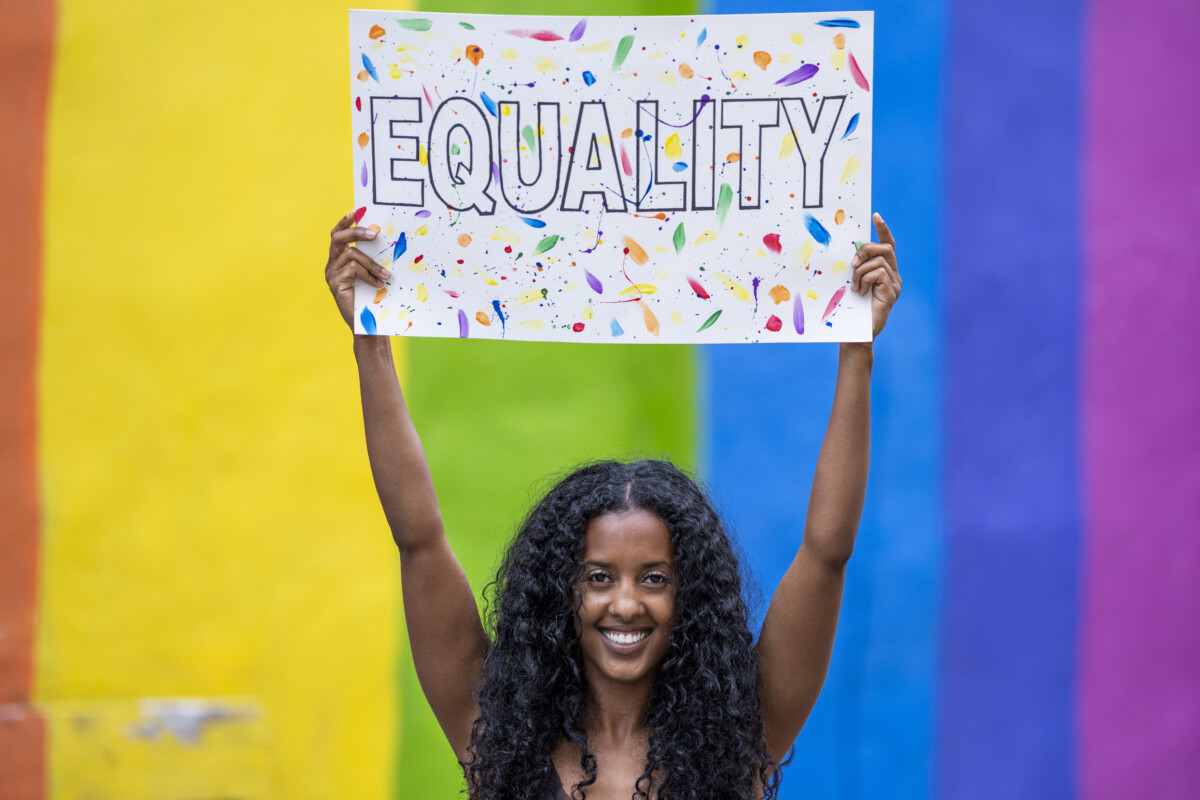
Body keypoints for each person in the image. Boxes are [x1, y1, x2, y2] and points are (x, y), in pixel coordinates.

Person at [323, 212, 901, 800]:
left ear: (689, 595)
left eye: (654, 578)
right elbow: (419, 538)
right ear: (560, 592)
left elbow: (826, 552)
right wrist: (370, 338)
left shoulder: (739, 736)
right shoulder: (496, 732)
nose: (625, 604)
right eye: (598, 577)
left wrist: (858, 351)